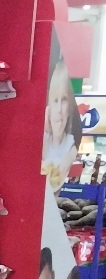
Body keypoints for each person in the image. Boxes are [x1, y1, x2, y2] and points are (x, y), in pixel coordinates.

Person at [41, 56, 82, 192]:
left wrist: (70, 156)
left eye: (64, 100)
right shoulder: (43, 140)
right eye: (55, 101)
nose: (59, 109)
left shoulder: (70, 143)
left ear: (70, 109)